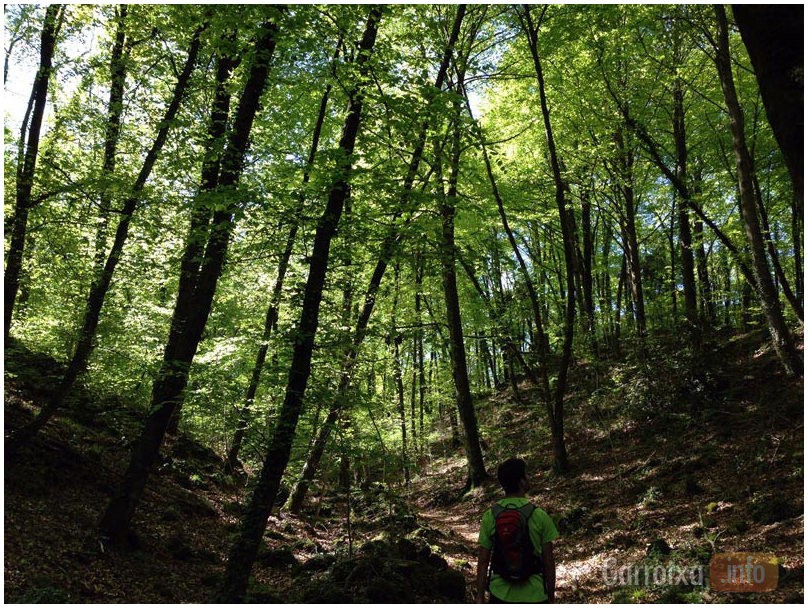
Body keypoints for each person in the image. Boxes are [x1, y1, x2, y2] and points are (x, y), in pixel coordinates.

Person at [475, 458, 559, 603]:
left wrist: (480, 596)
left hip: (499, 593)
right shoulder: (539, 515)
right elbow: (548, 562)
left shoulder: (490, 515)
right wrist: (551, 597)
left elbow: (483, 561)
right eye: (526, 475)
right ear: (521, 482)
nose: (529, 478)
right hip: (535, 594)